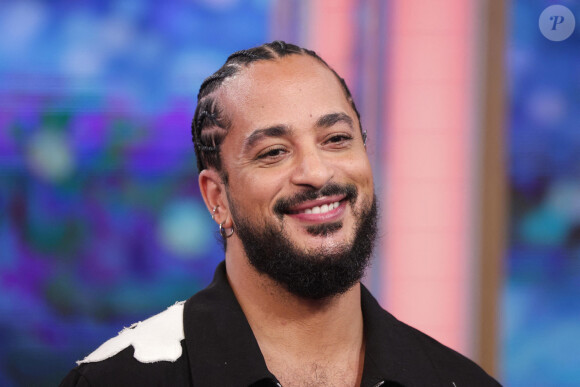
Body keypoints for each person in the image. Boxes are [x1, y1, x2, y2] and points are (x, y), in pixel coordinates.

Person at [60, 41, 501, 387]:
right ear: (217, 197)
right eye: (274, 152)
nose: (315, 172)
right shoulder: (117, 380)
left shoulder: (455, 381)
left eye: (336, 139)